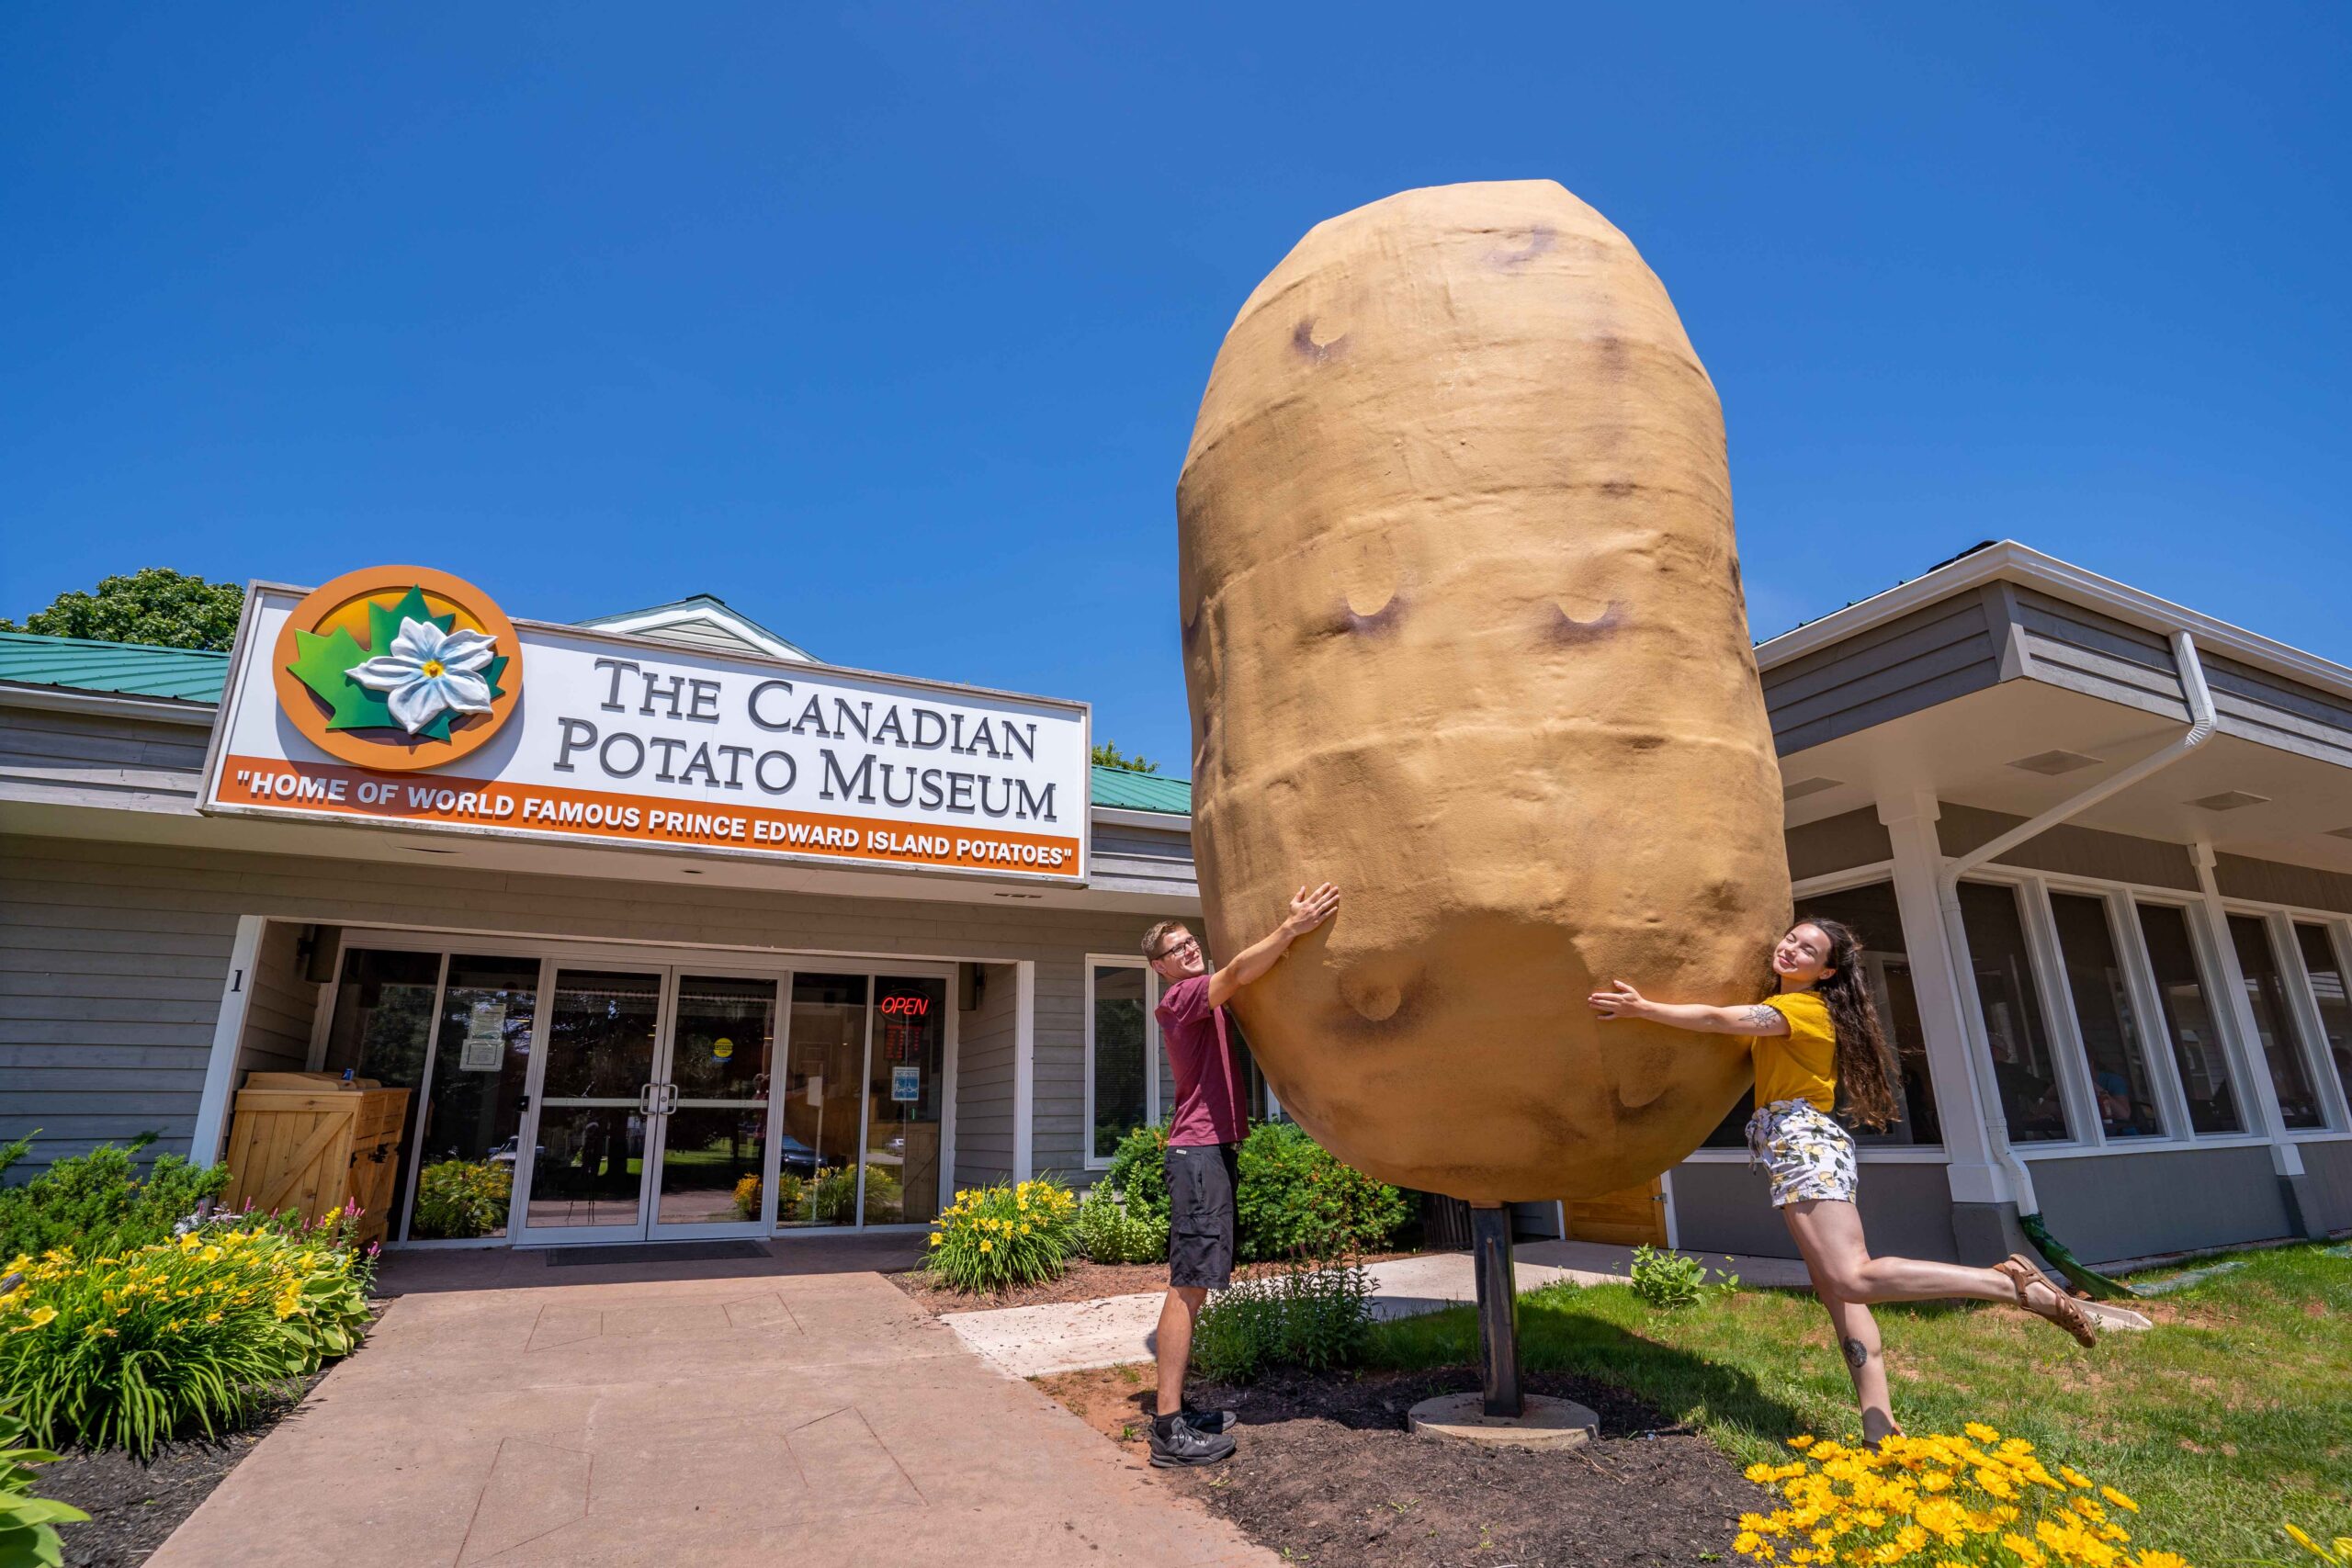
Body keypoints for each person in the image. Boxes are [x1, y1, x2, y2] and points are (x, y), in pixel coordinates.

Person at [1587, 918, 2098, 1444]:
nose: (1790, 950)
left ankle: (2010, 1284)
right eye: (1790, 939)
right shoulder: (1798, 1006)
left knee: (1852, 1278)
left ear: (1826, 971)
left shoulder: (1803, 1009)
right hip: (1800, 1147)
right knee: (1838, 1292)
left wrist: (1643, 1008)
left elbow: (1720, 1018)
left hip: (1803, 1145)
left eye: (1807, 950)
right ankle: (1880, 1429)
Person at [1139, 883, 1340, 1467]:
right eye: (1176, 950)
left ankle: (1177, 1408)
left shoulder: (1204, 1000)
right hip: (1196, 1155)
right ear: (1160, 967)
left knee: (1197, 1280)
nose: (1189, 952)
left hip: (1213, 1151)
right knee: (1189, 1284)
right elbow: (1237, 971)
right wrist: (1292, 928)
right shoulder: (1180, 1000)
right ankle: (1169, 1429)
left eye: (1190, 942)